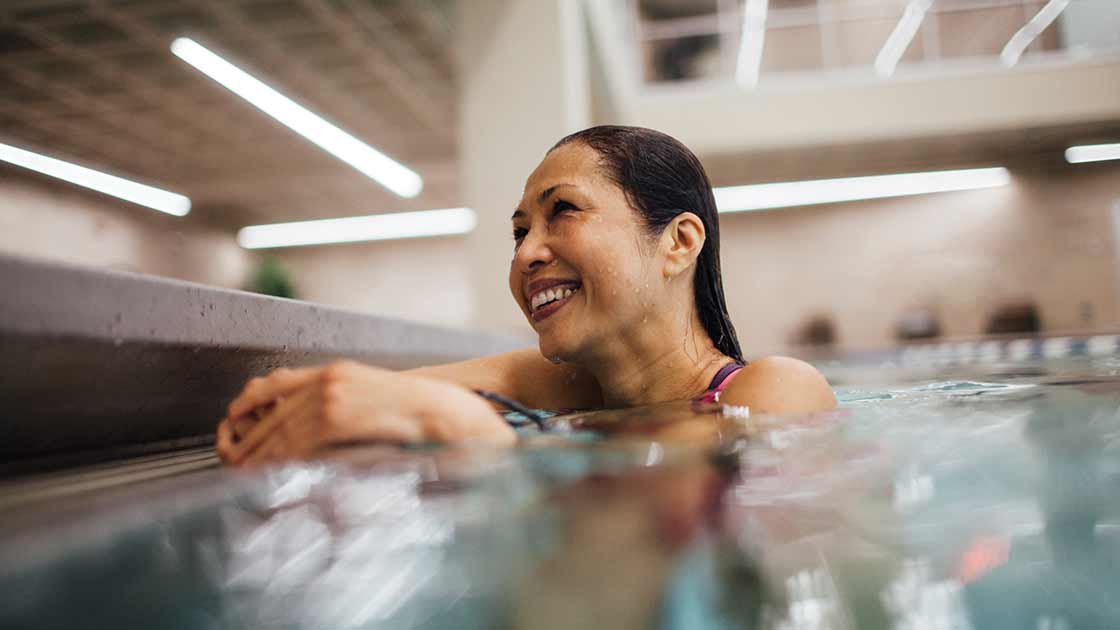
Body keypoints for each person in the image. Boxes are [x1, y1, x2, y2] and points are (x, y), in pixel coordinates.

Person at [217, 126, 836, 466]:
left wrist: (474, 432)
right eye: (518, 233)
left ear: (678, 242)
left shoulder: (775, 391)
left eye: (562, 210)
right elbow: (384, 391)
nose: (525, 254)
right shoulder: (562, 386)